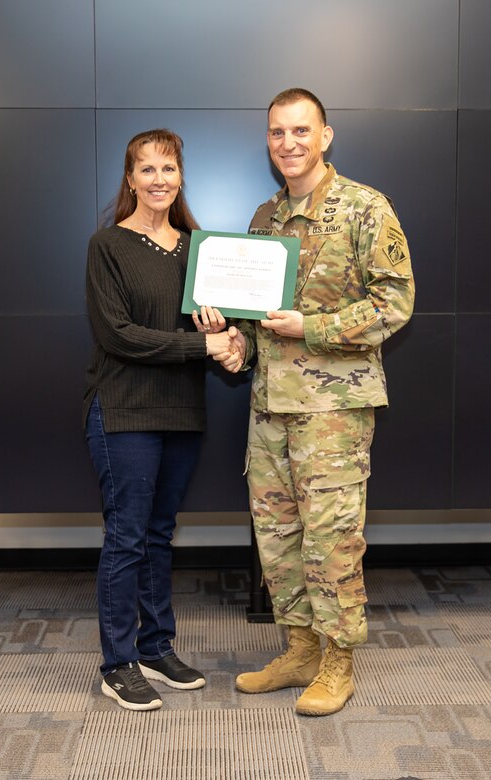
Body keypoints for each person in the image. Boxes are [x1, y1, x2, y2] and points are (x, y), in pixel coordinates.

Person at [228, 88, 415, 715]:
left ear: (326, 135)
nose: (289, 143)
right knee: (279, 537)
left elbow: (395, 303)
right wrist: (235, 344)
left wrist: (311, 327)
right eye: (278, 132)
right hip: (270, 408)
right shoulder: (263, 217)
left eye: (301, 130)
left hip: (332, 412)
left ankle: (339, 661)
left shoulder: (365, 209)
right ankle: (301, 648)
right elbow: (258, 321)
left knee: (332, 538)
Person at [84, 128, 241, 711]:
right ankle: (117, 661)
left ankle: (155, 646)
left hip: (182, 410)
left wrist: (223, 337)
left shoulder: (200, 248)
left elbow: (225, 329)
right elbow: (118, 336)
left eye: (168, 169)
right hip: (123, 409)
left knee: (157, 534)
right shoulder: (107, 244)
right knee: (126, 536)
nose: (158, 179)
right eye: (146, 169)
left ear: (180, 177)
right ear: (130, 180)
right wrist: (202, 349)